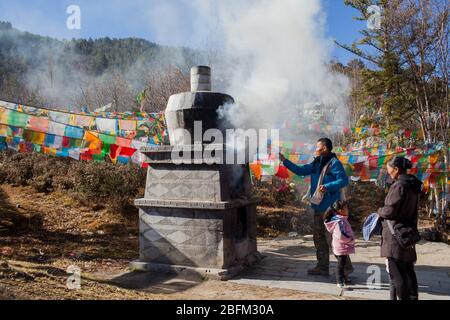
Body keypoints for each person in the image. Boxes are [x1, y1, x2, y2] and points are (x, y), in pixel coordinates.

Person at [280, 138, 351, 276]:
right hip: (319, 207)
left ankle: (346, 269)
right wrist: (284, 160)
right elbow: (300, 171)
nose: (315, 149)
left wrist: (328, 186)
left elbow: (343, 180)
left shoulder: (334, 163)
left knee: (334, 240)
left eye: (317, 147)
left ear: (324, 148)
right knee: (319, 238)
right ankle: (322, 267)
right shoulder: (317, 163)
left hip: (331, 209)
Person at [377, 156, 421, 300]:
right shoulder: (413, 184)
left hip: (395, 235)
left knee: (397, 276)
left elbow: (390, 211)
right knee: (408, 270)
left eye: (389, 171)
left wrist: (379, 211)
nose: (388, 173)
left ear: (396, 169)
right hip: (408, 233)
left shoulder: (399, 186)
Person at [324, 200, 355, 288]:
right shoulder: (339, 221)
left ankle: (344, 278)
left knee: (343, 263)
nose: (348, 210)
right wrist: (349, 239)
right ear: (340, 211)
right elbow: (341, 235)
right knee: (340, 265)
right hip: (341, 246)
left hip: (342, 246)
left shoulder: (341, 219)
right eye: (346, 208)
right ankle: (339, 280)